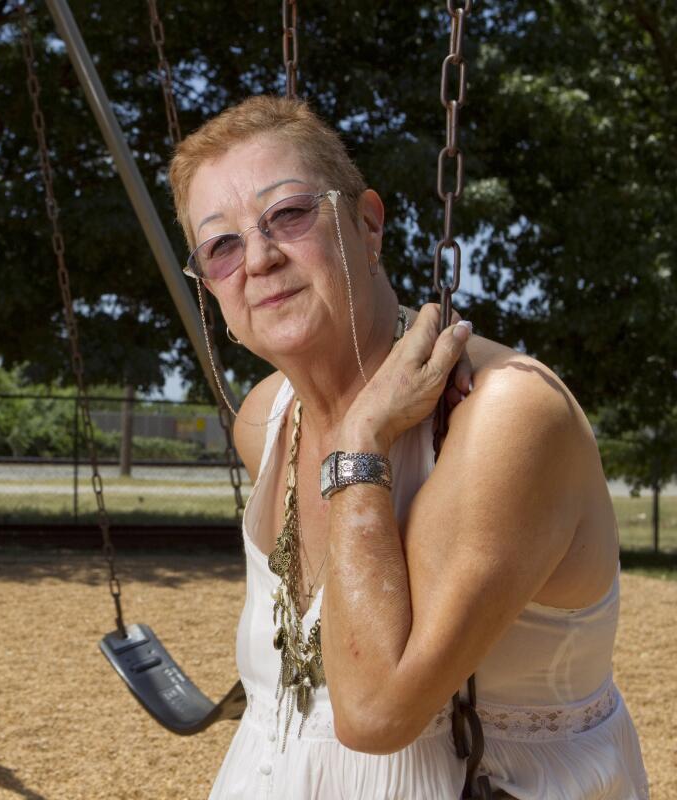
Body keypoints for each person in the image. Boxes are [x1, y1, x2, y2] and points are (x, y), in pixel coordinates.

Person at [169, 95, 649, 799]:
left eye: (290, 215)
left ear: (366, 225)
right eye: (222, 245)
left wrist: (363, 439)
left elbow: (373, 712)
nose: (261, 259)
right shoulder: (266, 420)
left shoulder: (503, 415)